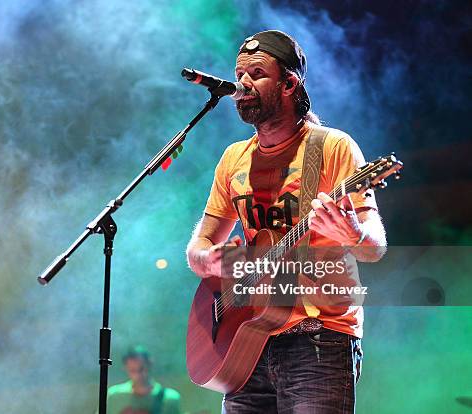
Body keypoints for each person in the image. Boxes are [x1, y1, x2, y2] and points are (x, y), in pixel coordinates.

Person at [186, 30, 387, 413]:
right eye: (239, 74)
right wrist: (207, 260)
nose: (242, 83)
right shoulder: (233, 159)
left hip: (318, 341)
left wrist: (353, 233)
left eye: (257, 73)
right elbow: (199, 249)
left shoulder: (332, 147)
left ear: (289, 84)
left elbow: (374, 247)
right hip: (246, 340)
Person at [106, 345, 181, 414]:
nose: (137, 374)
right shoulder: (114, 395)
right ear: (125, 368)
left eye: (141, 369)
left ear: (150, 364)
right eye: (132, 370)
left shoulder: (170, 399)